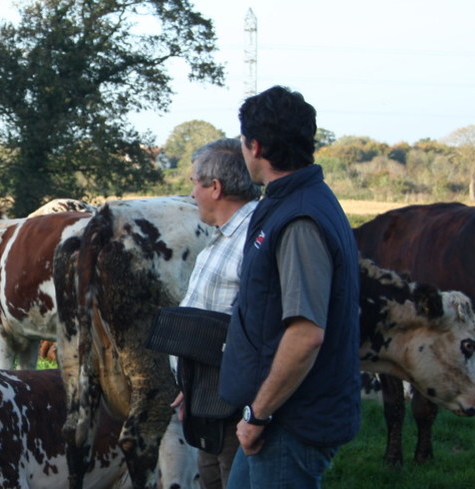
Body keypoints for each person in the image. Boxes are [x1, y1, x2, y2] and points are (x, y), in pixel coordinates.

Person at [218, 86, 361, 489]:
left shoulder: (299, 220)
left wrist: (258, 415)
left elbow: (305, 335)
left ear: (256, 146)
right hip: (274, 416)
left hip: (289, 421)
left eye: (244, 143)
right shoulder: (290, 202)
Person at [172, 137, 260, 489]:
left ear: (216, 187)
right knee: (209, 477)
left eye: (195, 183)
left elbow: (253, 331)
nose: (192, 193)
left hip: (232, 406)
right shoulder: (226, 235)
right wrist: (190, 381)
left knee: (230, 479)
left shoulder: (252, 240)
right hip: (205, 393)